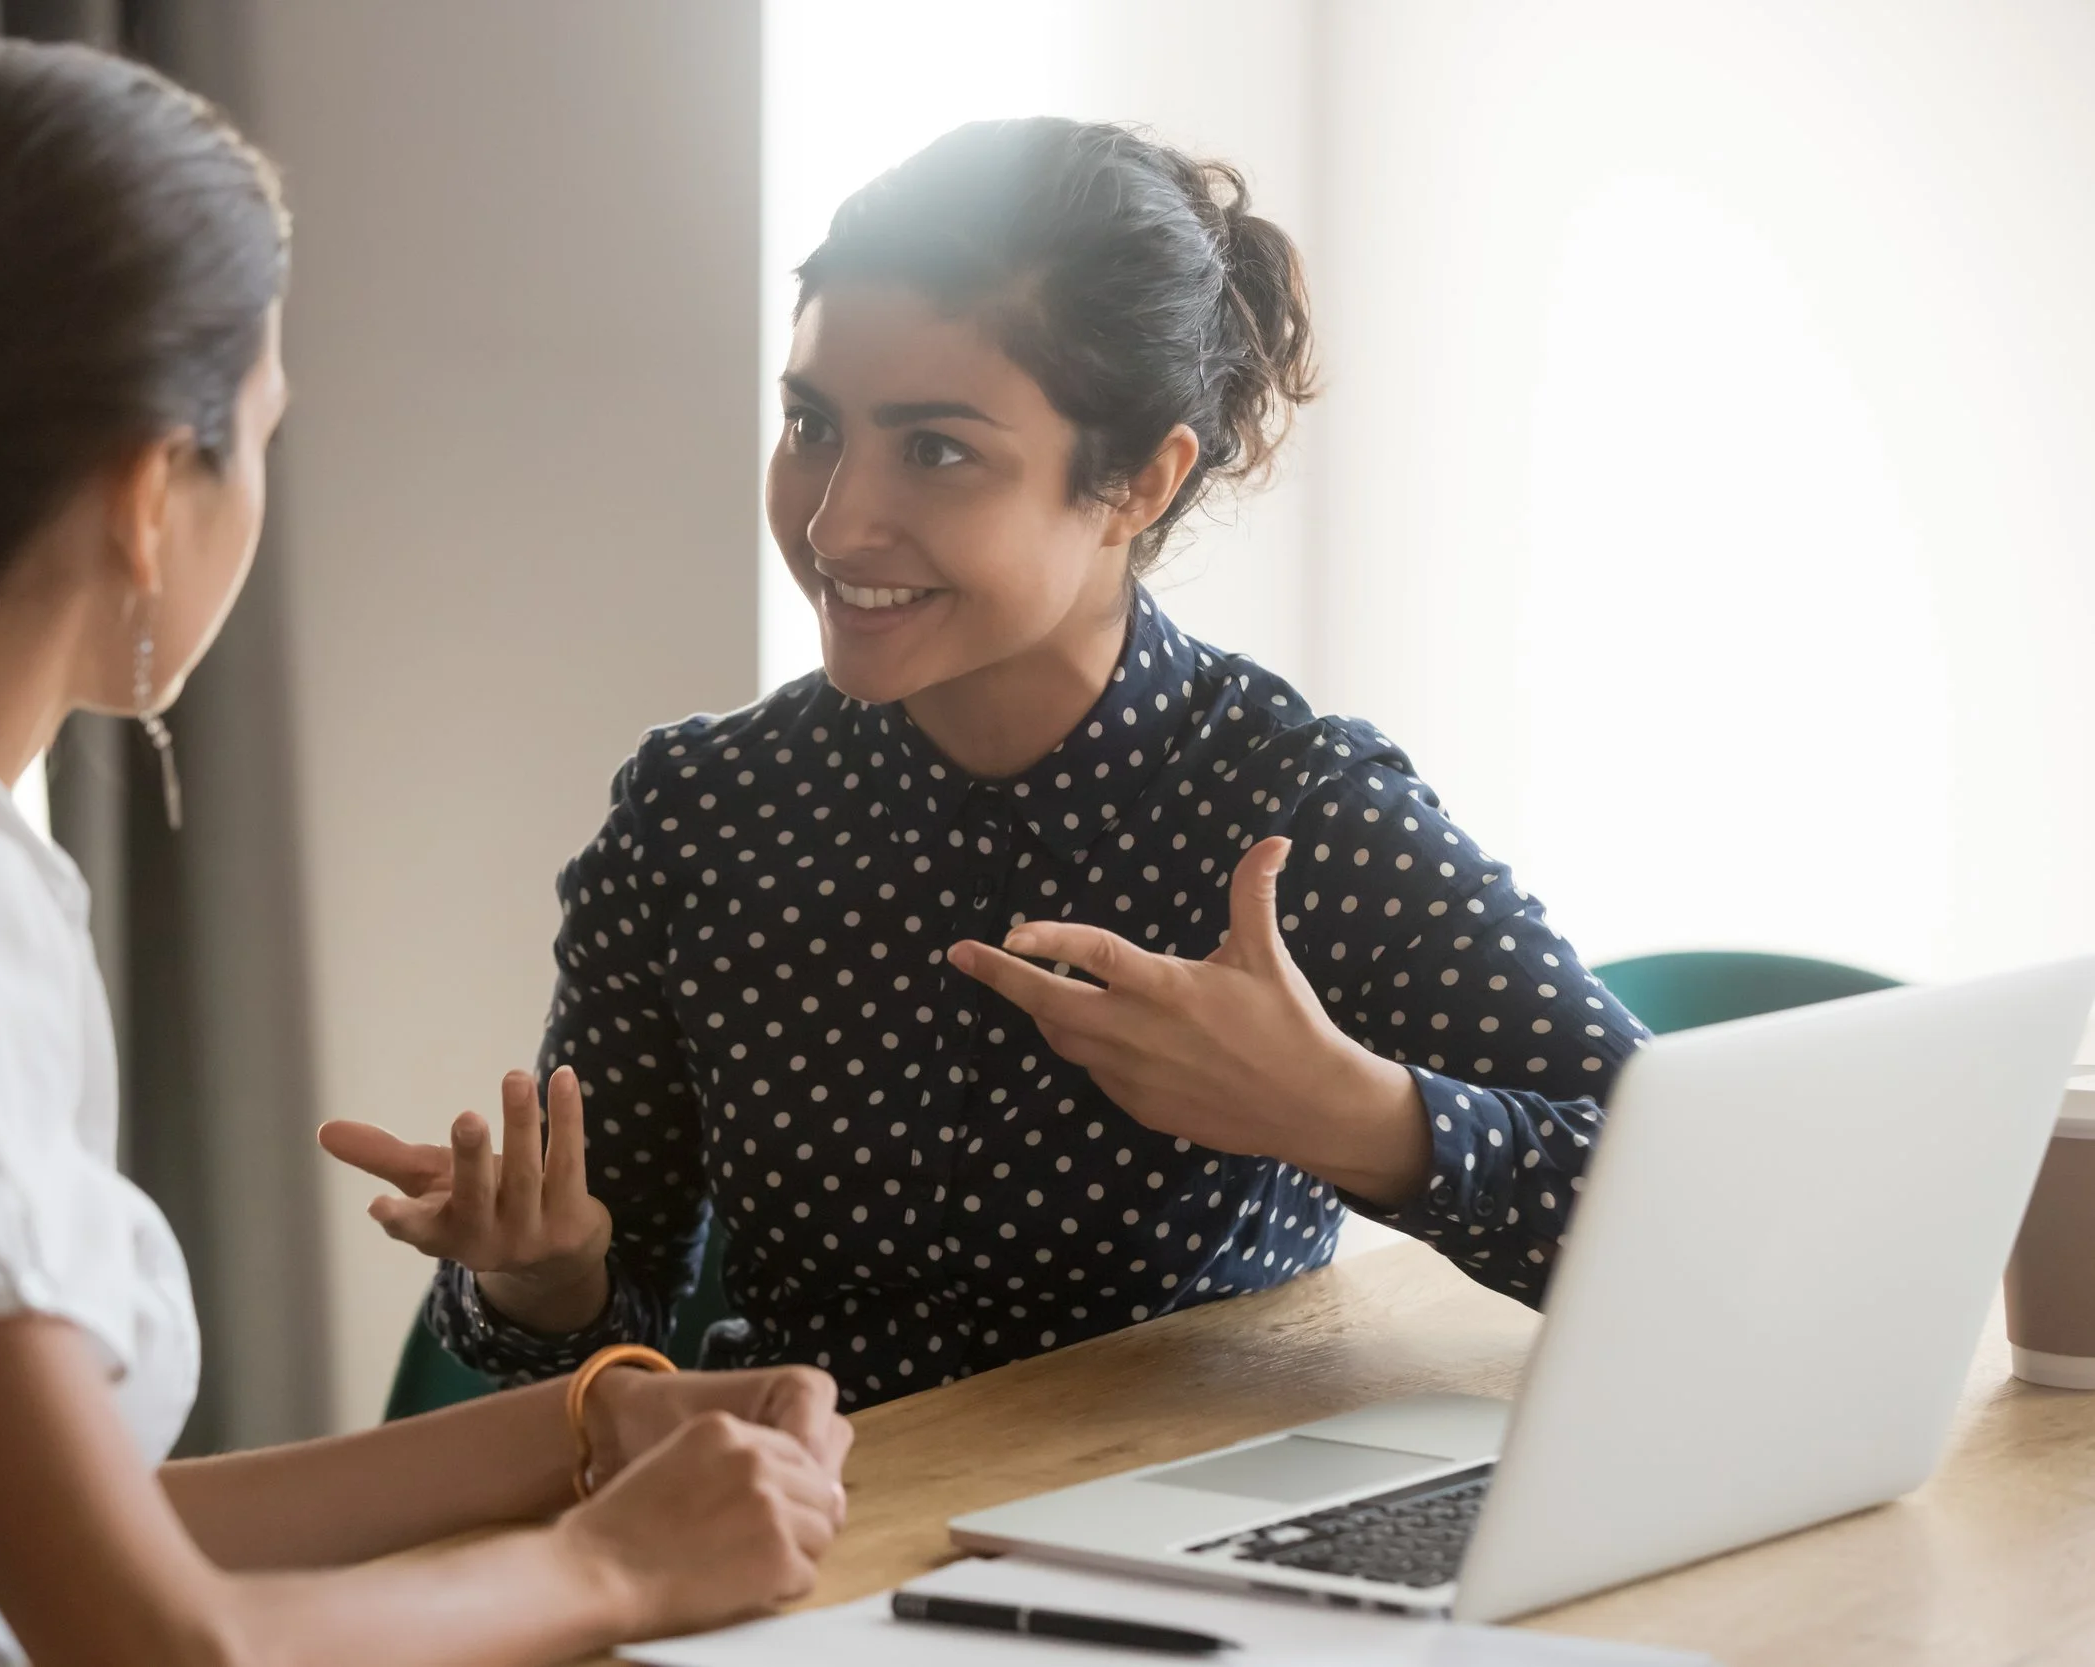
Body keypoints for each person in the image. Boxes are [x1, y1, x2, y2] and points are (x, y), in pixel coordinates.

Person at [0, 42, 850, 1667]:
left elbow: (12, 1533)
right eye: (255, 437)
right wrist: (615, 1573)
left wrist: (598, 1422)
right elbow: (144, 1636)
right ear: (143, 492)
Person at [324, 119, 1650, 1410]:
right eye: (812, 424)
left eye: (938, 449)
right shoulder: (701, 816)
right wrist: (548, 1282)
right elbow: (609, 1344)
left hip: (1184, 1567)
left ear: (1137, 480)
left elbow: (1683, 1221)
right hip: (805, 1548)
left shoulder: (1300, 817)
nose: (837, 521)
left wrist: (1353, 1115)